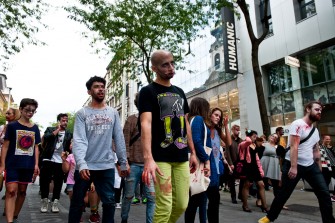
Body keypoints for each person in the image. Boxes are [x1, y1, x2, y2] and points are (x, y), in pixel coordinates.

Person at [139, 49, 198, 223]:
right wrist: (148, 157)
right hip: (160, 158)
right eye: (165, 64)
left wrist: (192, 152)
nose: (171, 67)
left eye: (172, 63)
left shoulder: (180, 91)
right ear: (154, 68)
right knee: (164, 206)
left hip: (181, 155)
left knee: (181, 204)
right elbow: (146, 123)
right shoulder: (147, 91)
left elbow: (185, 122)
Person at [259, 101, 335, 223]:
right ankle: (270, 217)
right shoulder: (297, 124)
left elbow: (315, 150)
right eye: (317, 109)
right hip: (293, 164)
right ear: (308, 109)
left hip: (310, 166)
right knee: (284, 194)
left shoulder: (315, 131)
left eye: (321, 110)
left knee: (324, 194)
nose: (319, 111)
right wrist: (293, 167)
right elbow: (294, 146)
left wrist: (319, 167)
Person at [68, 76, 128, 223]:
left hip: (106, 165)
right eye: (96, 86)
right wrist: (81, 164)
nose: (100, 89)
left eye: (102, 86)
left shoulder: (113, 112)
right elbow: (80, 140)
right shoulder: (82, 113)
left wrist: (123, 162)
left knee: (109, 202)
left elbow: (119, 138)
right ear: (89, 91)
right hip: (85, 166)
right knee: (77, 204)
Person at [0, 98, 41, 223]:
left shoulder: (35, 128)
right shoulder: (12, 126)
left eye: (33, 111)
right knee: (11, 191)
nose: (30, 113)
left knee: (22, 192)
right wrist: (2, 165)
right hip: (12, 164)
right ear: (21, 109)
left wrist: (36, 165)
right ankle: (10, 220)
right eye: (27, 110)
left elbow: (36, 147)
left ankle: (15, 214)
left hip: (27, 165)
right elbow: (5, 146)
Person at [121, 93, 155, 223]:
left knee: (152, 197)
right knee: (128, 196)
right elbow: (124, 142)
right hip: (133, 164)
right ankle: (124, 219)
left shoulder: (154, 120)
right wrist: (126, 163)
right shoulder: (131, 120)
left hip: (149, 166)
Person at [184, 97, 211, 223]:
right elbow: (196, 141)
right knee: (195, 199)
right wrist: (206, 159)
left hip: (196, 159)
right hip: (198, 161)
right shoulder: (198, 119)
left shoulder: (191, 119)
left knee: (195, 199)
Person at [40, 113, 73, 213]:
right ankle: (45, 201)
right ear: (58, 121)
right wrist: (57, 130)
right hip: (48, 158)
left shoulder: (69, 133)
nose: (65, 122)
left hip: (60, 161)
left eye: (66, 120)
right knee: (45, 181)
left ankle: (55, 202)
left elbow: (69, 147)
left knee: (58, 182)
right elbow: (46, 138)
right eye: (63, 120)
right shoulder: (50, 129)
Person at [207, 107, 231, 222]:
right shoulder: (204, 128)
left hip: (215, 168)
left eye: (219, 116)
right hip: (205, 168)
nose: (218, 117)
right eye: (216, 115)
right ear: (210, 114)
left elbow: (228, 143)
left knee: (215, 198)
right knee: (201, 199)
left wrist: (226, 125)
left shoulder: (218, 131)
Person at [239, 130, 268, 213]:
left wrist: (260, 170)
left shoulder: (254, 145)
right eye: (254, 136)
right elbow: (248, 141)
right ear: (249, 136)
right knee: (247, 185)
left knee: (261, 185)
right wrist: (248, 135)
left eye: (256, 136)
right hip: (247, 167)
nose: (255, 137)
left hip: (255, 168)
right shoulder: (243, 144)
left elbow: (257, 159)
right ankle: (245, 205)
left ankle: (264, 206)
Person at [0, 108, 21, 210]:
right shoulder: (2, 128)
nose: (6, 115)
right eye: (6, 113)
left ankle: (8, 208)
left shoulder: (18, 128)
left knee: (10, 184)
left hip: (12, 158)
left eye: (9, 113)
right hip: (1, 156)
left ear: (15, 115)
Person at [225, 124, 243, 204]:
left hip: (240, 163)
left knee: (242, 179)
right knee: (231, 181)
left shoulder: (241, 141)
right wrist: (230, 163)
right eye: (236, 129)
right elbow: (227, 152)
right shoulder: (229, 139)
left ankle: (240, 195)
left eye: (238, 130)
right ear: (232, 130)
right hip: (232, 162)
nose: (238, 131)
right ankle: (233, 197)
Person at [319, 135, 335, 201]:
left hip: (333, 166)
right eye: (327, 139)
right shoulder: (320, 148)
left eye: (329, 139)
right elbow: (318, 158)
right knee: (326, 182)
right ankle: (325, 196)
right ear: (323, 140)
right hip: (325, 167)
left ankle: (334, 196)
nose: (328, 140)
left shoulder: (332, 148)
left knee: (326, 182)